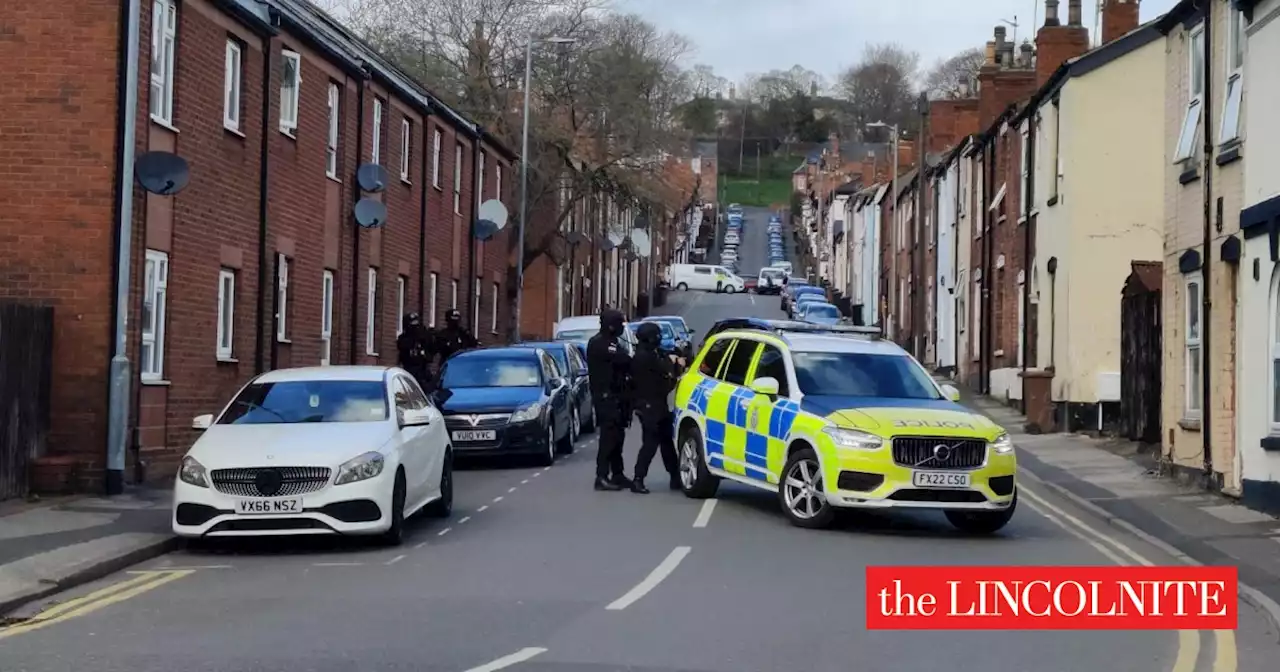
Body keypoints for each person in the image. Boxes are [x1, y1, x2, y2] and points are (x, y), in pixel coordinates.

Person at [628, 322, 683, 494]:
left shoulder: (644, 354)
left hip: (654, 404)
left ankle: (675, 476)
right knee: (650, 444)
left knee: (666, 443)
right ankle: (638, 479)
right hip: (651, 406)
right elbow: (665, 375)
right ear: (651, 338)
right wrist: (676, 366)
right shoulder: (646, 358)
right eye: (657, 336)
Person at [586, 309, 633, 491]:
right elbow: (624, 361)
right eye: (620, 324)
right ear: (611, 325)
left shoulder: (611, 341)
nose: (622, 327)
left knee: (617, 437)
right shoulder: (601, 344)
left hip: (616, 397)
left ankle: (618, 474)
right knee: (608, 438)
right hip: (606, 397)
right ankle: (601, 476)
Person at [396, 313, 434, 391]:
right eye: (412, 324)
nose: (415, 328)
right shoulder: (403, 339)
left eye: (416, 324)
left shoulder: (424, 336)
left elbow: (431, 350)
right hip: (409, 370)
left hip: (423, 370)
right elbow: (403, 349)